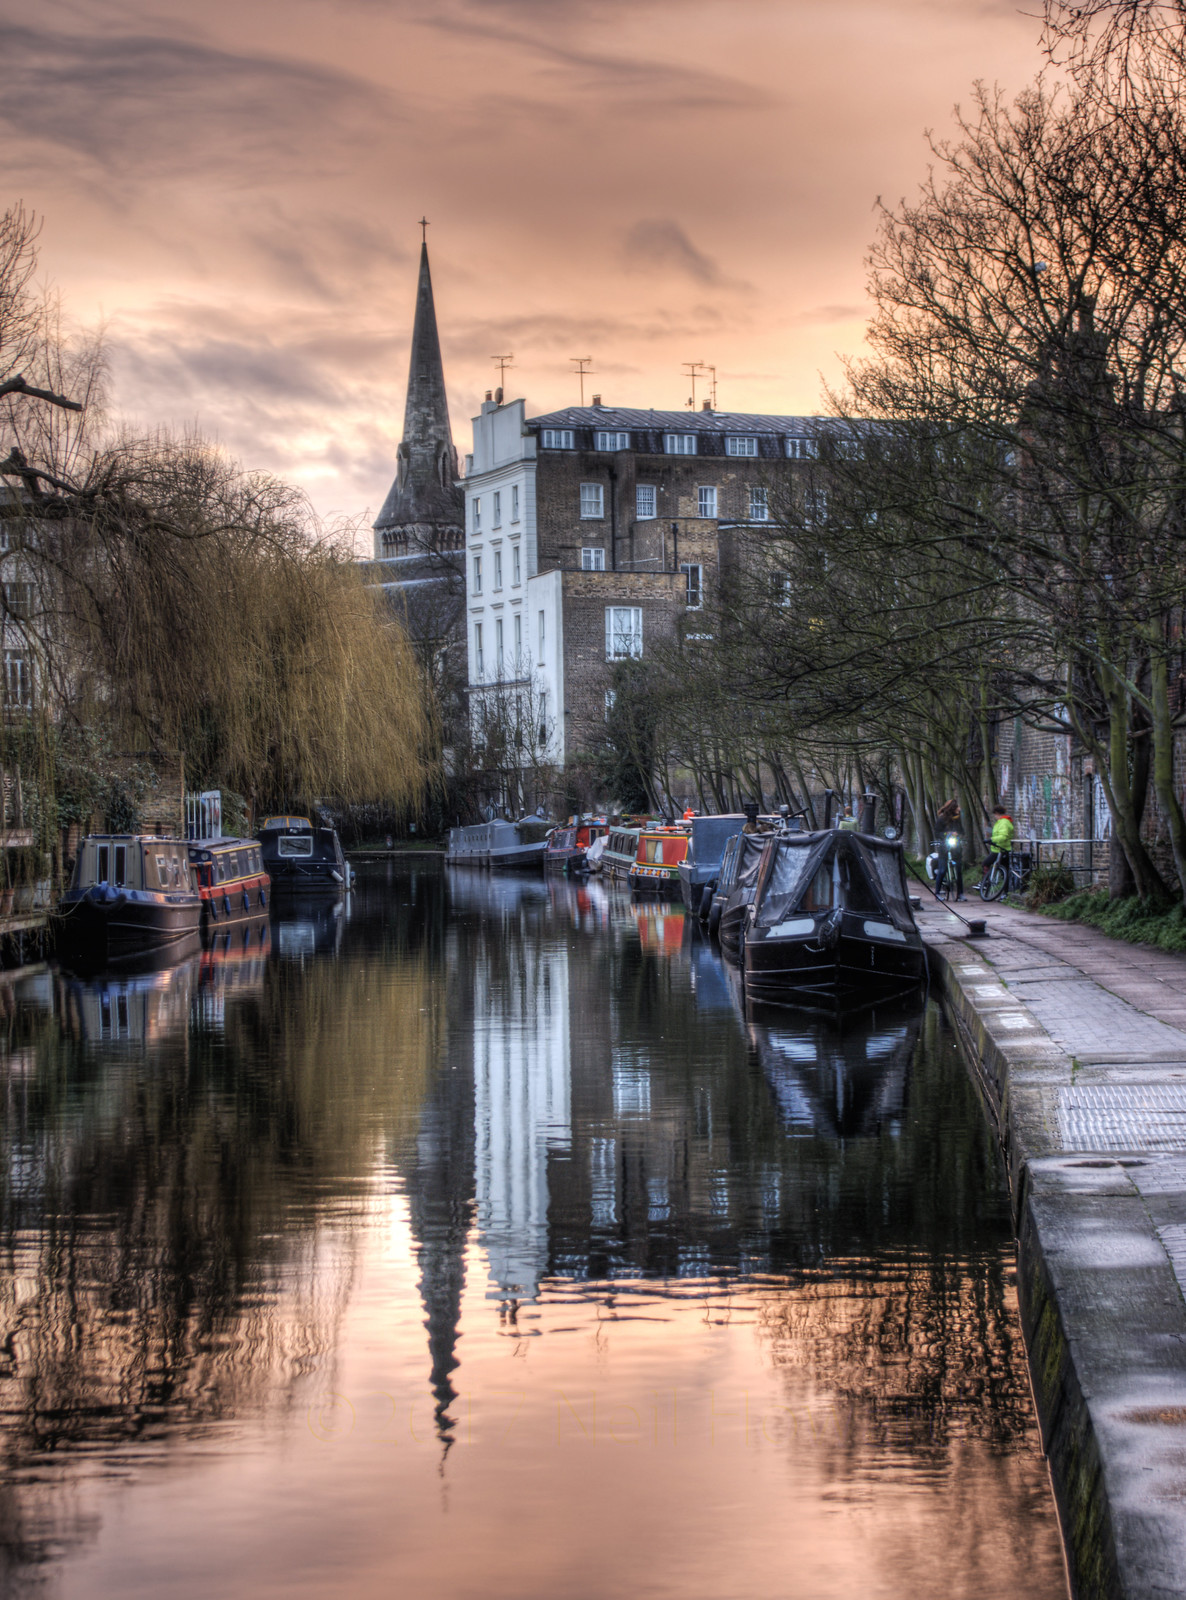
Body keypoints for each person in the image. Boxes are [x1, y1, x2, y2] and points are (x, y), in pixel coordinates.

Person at [934, 798, 965, 900]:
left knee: (959, 870)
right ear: (953, 808)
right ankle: (937, 893)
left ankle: (960, 894)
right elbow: (937, 833)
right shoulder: (942, 819)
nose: (959, 809)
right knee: (942, 870)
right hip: (944, 848)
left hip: (956, 848)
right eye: (957, 807)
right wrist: (947, 834)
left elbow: (962, 832)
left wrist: (959, 836)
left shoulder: (958, 819)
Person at [986, 804, 1015, 884]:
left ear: (997, 813)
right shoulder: (1002, 822)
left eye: (995, 815)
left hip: (1000, 849)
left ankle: (986, 882)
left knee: (986, 863)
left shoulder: (1003, 823)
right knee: (1004, 870)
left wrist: (992, 839)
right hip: (1001, 849)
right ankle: (1004, 893)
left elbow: (1003, 836)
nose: (995, 816)